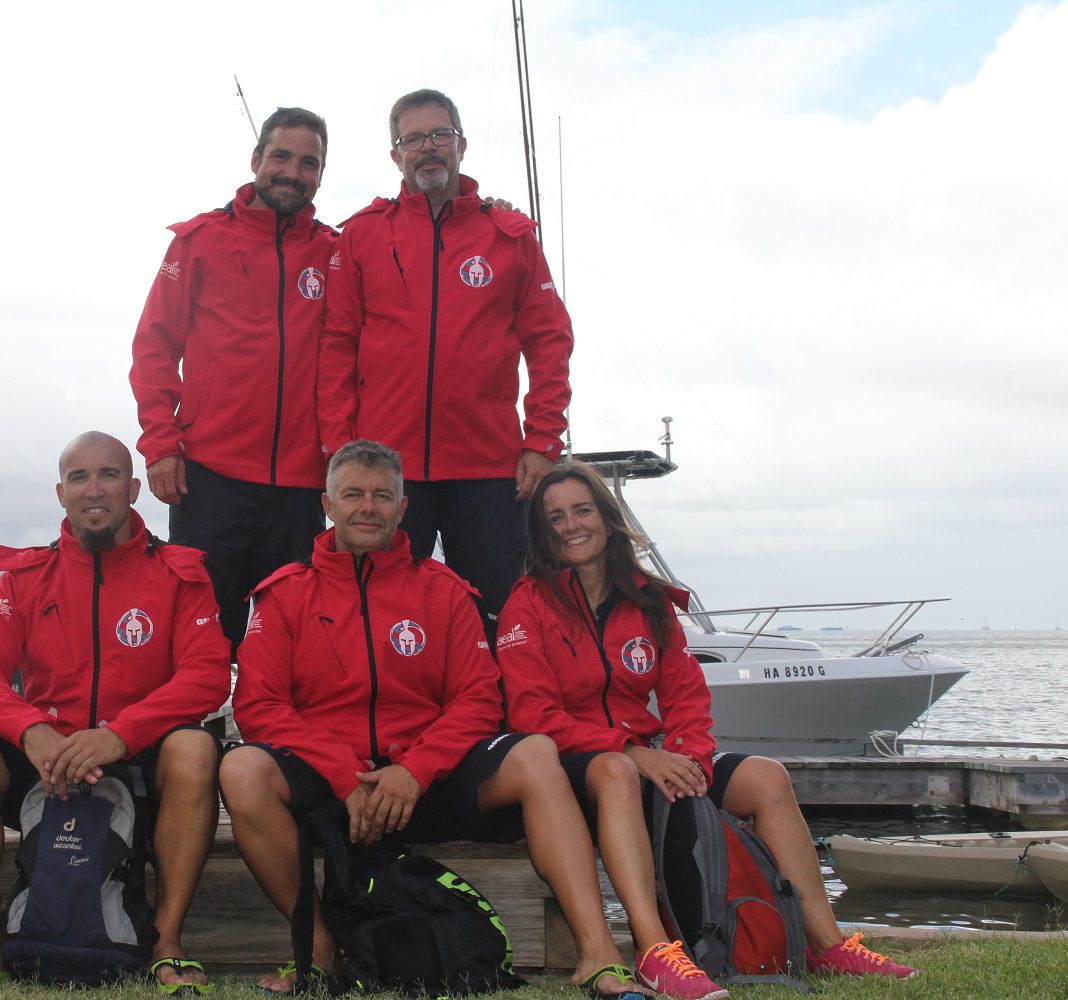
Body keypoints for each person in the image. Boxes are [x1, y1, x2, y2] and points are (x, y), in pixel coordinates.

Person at [220, 440, 654, 999]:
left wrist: (416, 769)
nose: (368, 508)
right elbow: (259, 706)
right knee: (241, 770)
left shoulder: (444, 591)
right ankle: (321, 952)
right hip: (335, 791)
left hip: (428, 780)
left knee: (535, 753)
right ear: (327, 504)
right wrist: (343, 773)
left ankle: (597, 954)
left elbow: (478, 698)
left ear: (404, 509)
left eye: (383, 496)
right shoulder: (284, 594)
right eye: (353, 494)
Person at [496, 462, 920, 997]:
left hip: (649, 758)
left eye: (582, 510)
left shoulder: (649, 601)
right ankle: (654, 952)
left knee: (766, 778)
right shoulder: (526, 603)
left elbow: (686, 695)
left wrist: (690, 758)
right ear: (542, 531)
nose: (571, 525)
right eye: (554, 517)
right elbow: (531, 714)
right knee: (615, 768)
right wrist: (630, 750)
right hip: (578, 766)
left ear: (607, 517)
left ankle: (826, 943)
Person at [0, 432, 231, 991]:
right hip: (49, 765)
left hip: (138, 762)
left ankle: (165, 942)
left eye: (109, 475)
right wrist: (32, 731)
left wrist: (121, 734)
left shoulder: (179, 573)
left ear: (134, 489)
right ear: (60, 493)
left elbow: (207, 674)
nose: (95, 490)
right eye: (79, 478)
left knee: (195, 746)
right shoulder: (25, 578)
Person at [317, 88, 573, 643]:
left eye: (439, 135)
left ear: (461, 144)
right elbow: (336, 344)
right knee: (377, 611)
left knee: (500, 614)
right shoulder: (362, 235)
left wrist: (542, 439)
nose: (427, 148)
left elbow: (549, 340)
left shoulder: (511, 236)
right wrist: (342, 449)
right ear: (395, 155)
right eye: (413, 139)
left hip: (487, 466)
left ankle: (505, 726)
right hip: (388, 471)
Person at [130, 107, 336, 651]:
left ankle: (275, 738)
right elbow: (153, 346)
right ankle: (192, 736)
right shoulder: (197, 241)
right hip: (209, 476)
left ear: (321, 172)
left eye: (308, 162)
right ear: (256, 160)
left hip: (300, 487)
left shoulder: (336, 253)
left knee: (288, 639)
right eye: (281, 157)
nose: (293, 172)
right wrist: (160, 446)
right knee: (202, 634)